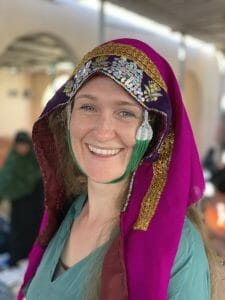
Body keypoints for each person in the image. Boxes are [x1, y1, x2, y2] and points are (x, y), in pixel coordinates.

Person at [18, 39, 211, 300]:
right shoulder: (68, 214)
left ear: (153, 132)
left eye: (125, 113)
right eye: (88, 107)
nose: (102, 131)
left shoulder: (178, 247)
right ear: (68, 118)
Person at [0, 131, 44, 266]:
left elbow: (42, 183)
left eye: (24, 145)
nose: (22, 148)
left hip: (35, 207)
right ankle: (15, 260)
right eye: (19, 145)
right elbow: (5, 183)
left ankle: (32, 260)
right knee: (17, 232)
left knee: (34, 233)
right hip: (19, 207)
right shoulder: (12, 161)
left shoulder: (36, 160)